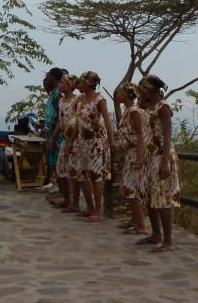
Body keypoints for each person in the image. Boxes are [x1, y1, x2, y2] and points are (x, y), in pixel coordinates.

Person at [137, 74, 181, 253]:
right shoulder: (148, 108)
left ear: (150, 89)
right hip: (150, 157)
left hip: (161, 156)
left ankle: (168, 241)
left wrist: (164, 162)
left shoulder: (163, 107)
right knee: (149, 196)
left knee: (163, 198)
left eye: (142, 89)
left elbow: (168, 135)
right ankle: (156, 234)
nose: (140, 92)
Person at [72, 71, 114, 222]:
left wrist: (112, 141)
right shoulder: (79, 100)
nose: (77, 86)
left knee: (96, 176)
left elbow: (107, 121)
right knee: (82, 176)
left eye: (80, 83)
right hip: (82, 142)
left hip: (97, 142)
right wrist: (71, 141)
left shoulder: (99, 100)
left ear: (87, 84)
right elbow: (78, 122)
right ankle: (90, 207)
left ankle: (98, 210)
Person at [113, 82, 148, 236]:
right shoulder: (128, 111)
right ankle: (134, 221)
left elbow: (140, 134)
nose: (118, 95)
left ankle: (141, 225)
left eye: (121, 92)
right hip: (130, 152)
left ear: (127, 94)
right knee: (128, 187)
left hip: (134, 152)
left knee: (132, 188)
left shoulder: (134, 111)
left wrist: (140, 156)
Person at [48, 72, 80, 212]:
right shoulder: (61, 101)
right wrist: (53, 137)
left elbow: (79, 121)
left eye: (62, 82)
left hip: (76, 141)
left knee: (73, 172)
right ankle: (67, 199)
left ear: (69, 85)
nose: (59, 85)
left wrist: (73, 140)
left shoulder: (77, 101)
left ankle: (75, 203)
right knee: (60, 170)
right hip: (65, 140)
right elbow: (61, 122)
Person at [41, 67, 67, 190]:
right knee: (52, 160)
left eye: (48, 76)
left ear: (52, 77)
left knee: (57, 161)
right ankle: (60, 190)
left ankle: (63, 191)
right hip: (51, 131)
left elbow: (60, 116)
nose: (47, 79)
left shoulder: (58, 94)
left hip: (57, 133)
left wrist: (53, 136)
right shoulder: (53, 93)